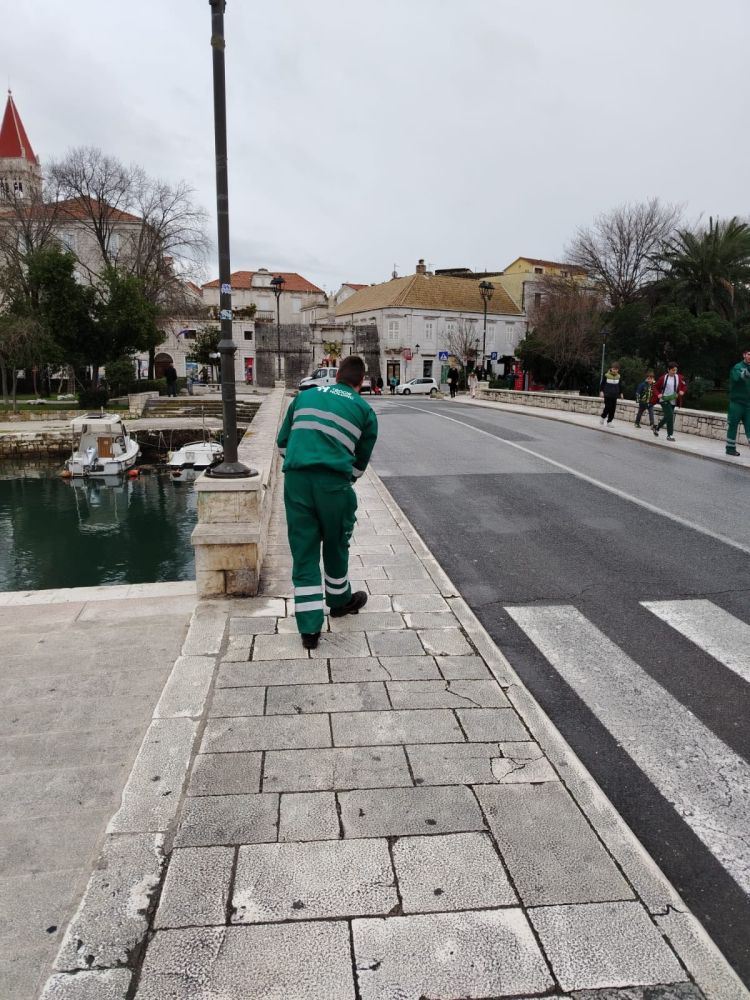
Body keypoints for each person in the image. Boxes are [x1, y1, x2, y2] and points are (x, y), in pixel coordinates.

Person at [276, 355, 378, 650]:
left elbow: (282, 444)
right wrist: (338, 480)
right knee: (335, 543)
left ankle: (309, 630)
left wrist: (304, 466)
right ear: (361, 382)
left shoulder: (304, 397)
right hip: (334, 485)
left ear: (336, 376)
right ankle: (339, 601)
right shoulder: (365, 411)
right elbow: (359, 465)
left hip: (296, 481)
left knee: (304, 551)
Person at [652, 363, 686, 441]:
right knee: (670, 416)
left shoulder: (679, 377)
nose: (674, 372)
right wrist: (658, 394)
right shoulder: (663, 378)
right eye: (673, 370)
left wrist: (682, 391)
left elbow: (684, 386)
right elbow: (654, 387)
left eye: (676, 370)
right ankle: (670, 435)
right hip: (664, 399)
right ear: (668, 370)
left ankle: (657, 428)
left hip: (673, 400)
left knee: (668, 416)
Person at [725, 348, 750, 456]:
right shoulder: (737, 367)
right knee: (733, 425)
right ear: (744, 355)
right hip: (736, 403)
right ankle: (730, 449)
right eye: (749, 354)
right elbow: (740, 377)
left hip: (748, 404)